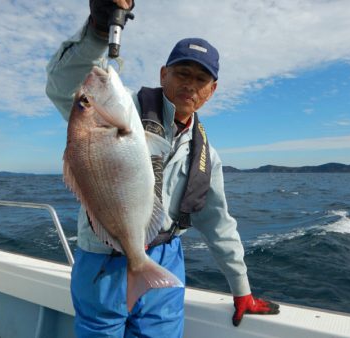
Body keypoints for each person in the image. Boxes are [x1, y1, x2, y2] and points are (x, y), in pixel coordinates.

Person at [46, 0, 279, 336]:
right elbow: (62, 84)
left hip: (165, 258)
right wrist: (99, 30)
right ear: (163, 74)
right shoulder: (117, 108)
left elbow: (218, 223)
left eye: (201, 79)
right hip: (102, 255)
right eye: (182, 73)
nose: (190, 85)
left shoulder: (206, 155)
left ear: (211, 91)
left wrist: (241, 288)